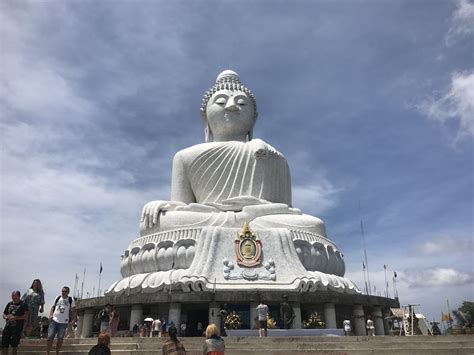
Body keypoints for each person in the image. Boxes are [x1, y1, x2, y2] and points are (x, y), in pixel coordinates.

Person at [46, 286, 76, 355]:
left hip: (64, 322)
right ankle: (48, 353)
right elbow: (53, 307)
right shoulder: (58, 298)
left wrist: (73, 320)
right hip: (54, 320)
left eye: (65, 291)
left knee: (60, 338)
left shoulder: (71, 300)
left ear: (68, 292)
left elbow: (74, 310)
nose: (63, 293)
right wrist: (50, 315)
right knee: (50, 337)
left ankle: (57, 352)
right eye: (62, 291)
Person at [2, 291, 28, 355]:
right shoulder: (9, 304)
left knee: (14, 344)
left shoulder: (23, 304)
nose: (13, 297)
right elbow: (4, 314)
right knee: (4, 344)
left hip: (17, 327)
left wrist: (15, 318)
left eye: (14, 296)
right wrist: (6, 317)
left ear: (19, 296)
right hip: (8, 326)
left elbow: (26, 316)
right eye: (12, 296)